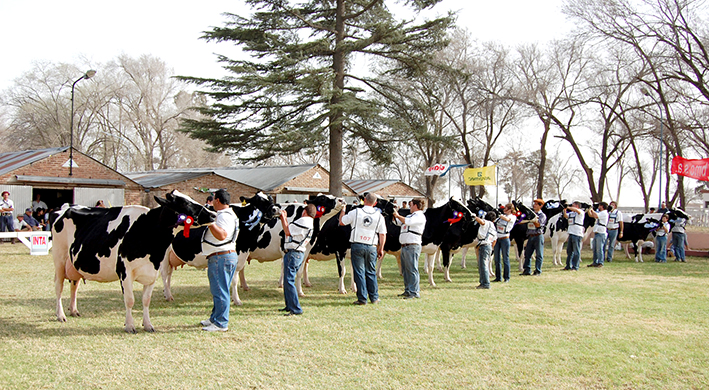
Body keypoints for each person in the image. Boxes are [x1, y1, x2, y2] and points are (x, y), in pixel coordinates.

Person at [200, 189, 239, 331]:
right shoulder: (228, 215)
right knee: (220, 289)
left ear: (217, 200)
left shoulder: (224, 216)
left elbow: (222, 235)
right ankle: (215, 318)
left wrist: (210, 223)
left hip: (221, 256)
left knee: (220, 291)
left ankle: (221, 323)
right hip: (223, 256)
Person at [339, 192, 387, 305]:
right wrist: (381, 248)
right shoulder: (379, 216)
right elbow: (382, 234)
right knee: (371, 271)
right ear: (375, 203)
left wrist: (343, 210)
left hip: (357, 244)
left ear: (364, 200)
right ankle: (374, 297)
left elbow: (342, 222)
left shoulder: (356, 212)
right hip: (371, 246)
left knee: (359, 272)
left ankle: (362, 298)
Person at [279, 203, 316, 315]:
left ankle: (295, 308)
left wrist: (283, 218)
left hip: (293, 253)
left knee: (289, 281)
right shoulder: (310, 223)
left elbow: (287, 231)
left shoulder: (303, 221)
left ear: (304, 211)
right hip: (298, 253)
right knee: (287, 280)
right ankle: (289, 305)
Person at [393, 198, 426, 299]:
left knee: (412, 269)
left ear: (415, 205)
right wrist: (394, 214)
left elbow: (408, 222)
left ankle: (414, 291)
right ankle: (408, 289)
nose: (409, 207)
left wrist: (398, 215)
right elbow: (398, 222)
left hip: (412, 245)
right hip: (405, 245)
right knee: (406, 269)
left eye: (411, 205)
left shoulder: (420, 216)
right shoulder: (409, 216)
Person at [521, 199, 547, 276]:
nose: (534, 205)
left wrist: (533, 220)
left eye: (536, 204)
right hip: (530, 236)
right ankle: (527, 270)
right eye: (534, 204)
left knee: (539, 254)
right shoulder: (531, 214)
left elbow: (539, 225)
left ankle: (538, 270)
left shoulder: (542, 215)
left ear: (540, 206)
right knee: (527, 254)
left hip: (538, 236)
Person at [492, 203, 517, 282]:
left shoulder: (512, 217)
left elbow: (508, 220)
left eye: (506, 208)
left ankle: (507, 277)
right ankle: (498, 277)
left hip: (505, 239)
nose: (504, 210)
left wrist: (500, 215)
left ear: (510, 210)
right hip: (497, 238)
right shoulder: (501, 217)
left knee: (505, 258)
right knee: (497, 259)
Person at [475, 210, 498, 289]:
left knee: (483, 265)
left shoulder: (487, 223)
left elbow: (482, 222)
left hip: (484, 245)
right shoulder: (493, 227)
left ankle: (485, 283)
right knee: (483, 264)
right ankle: (482, 282)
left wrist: (474, 216)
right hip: (489, 246)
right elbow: (495, 240)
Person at [562, 201, 586, 271]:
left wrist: (568, 207)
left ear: (577, 206)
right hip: (571, 233)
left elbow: (576, 210)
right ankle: (568, 265)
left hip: (577, 233)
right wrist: (565, 210)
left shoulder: (581, 212)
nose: (572, 207)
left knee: (576, 251)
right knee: (569, 251)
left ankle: (575, 266)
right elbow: (566, 216)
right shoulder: (572, 214)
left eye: (573, 205)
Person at [587, 202, 609, 268]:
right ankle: (595, 262)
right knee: (595, 248)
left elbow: (596, 215)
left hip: (601, 232)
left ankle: (600, 262)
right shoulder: (600, 213)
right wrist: (589, 210)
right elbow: (591, 215)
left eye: (599, 206)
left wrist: (592, 209)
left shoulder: (604, 213)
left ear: (602, 206)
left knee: (599, 249)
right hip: (597, 231)